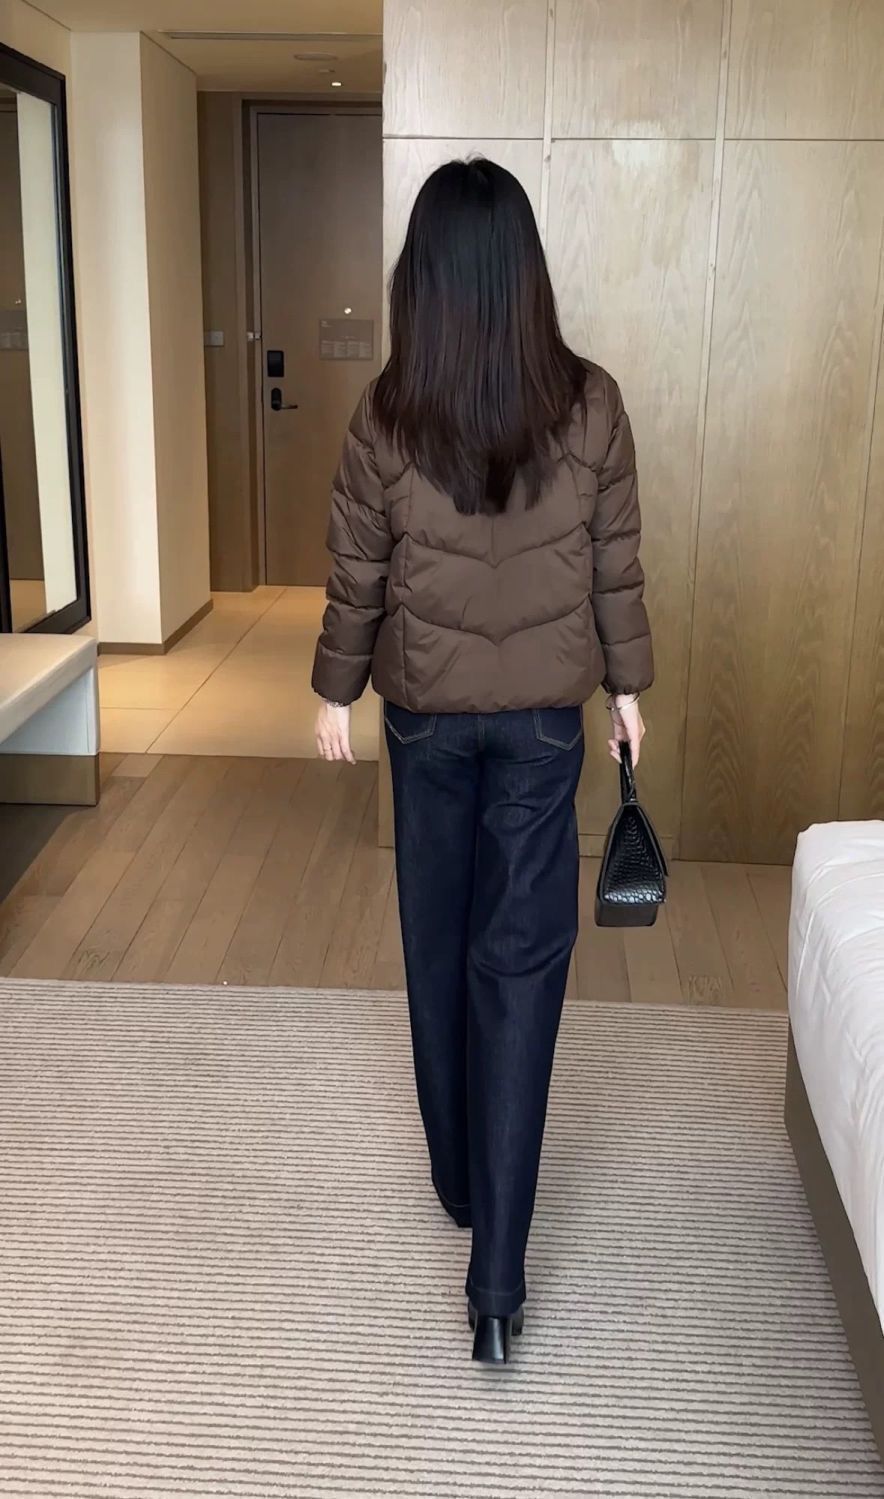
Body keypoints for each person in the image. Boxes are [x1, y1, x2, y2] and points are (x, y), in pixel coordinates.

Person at [312, 158, 652, 1365]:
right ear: (524, 273)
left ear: (423, 277)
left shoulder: (387, 410)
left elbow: (357, 568)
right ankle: (495, 1281)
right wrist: (624, 689)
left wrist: (335, 689)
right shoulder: (592, 402)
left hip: (424, 722)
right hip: (543, 725)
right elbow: (614, 560)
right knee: (520, 966)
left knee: (437, 947)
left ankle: (458, 1182)